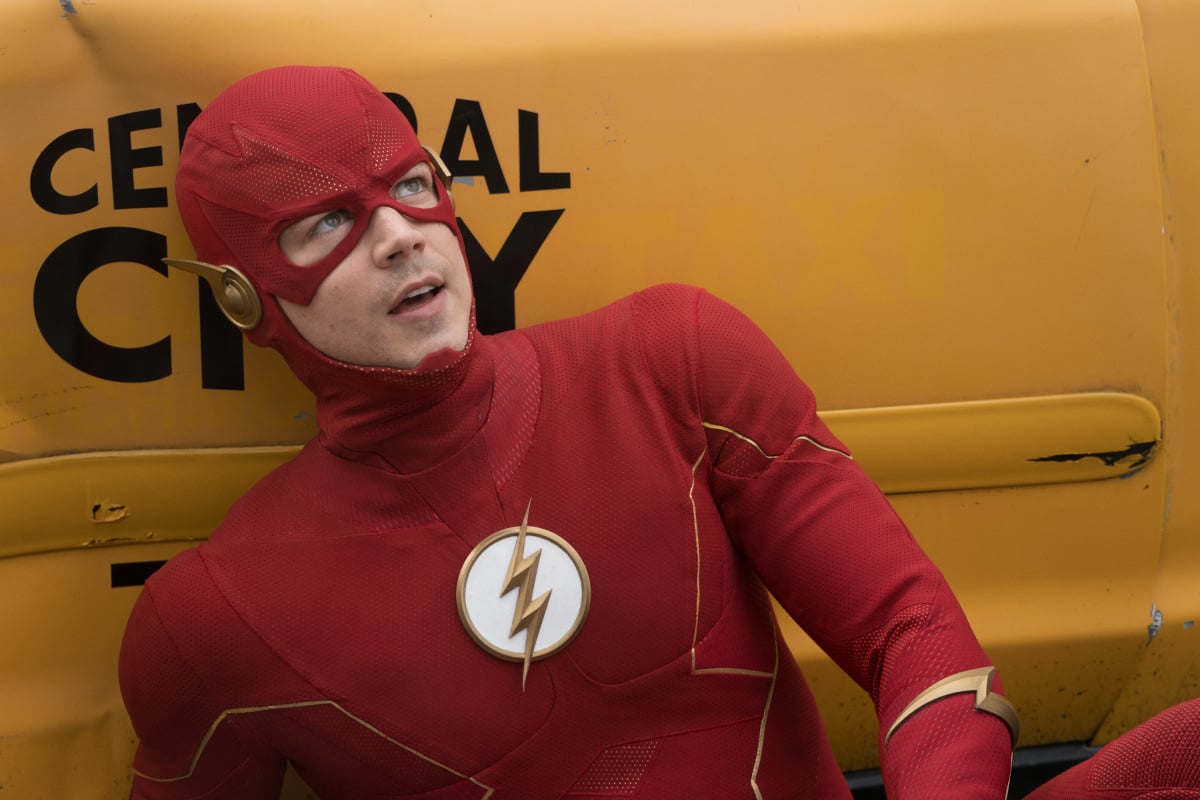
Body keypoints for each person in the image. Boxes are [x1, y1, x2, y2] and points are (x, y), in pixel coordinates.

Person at [118, 65, 1018, 799]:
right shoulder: (212, 619)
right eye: (325, 223)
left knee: (1168, 756)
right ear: (244, 297)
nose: (399, 236)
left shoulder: (669, 363)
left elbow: (916, 637)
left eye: (410, 185)